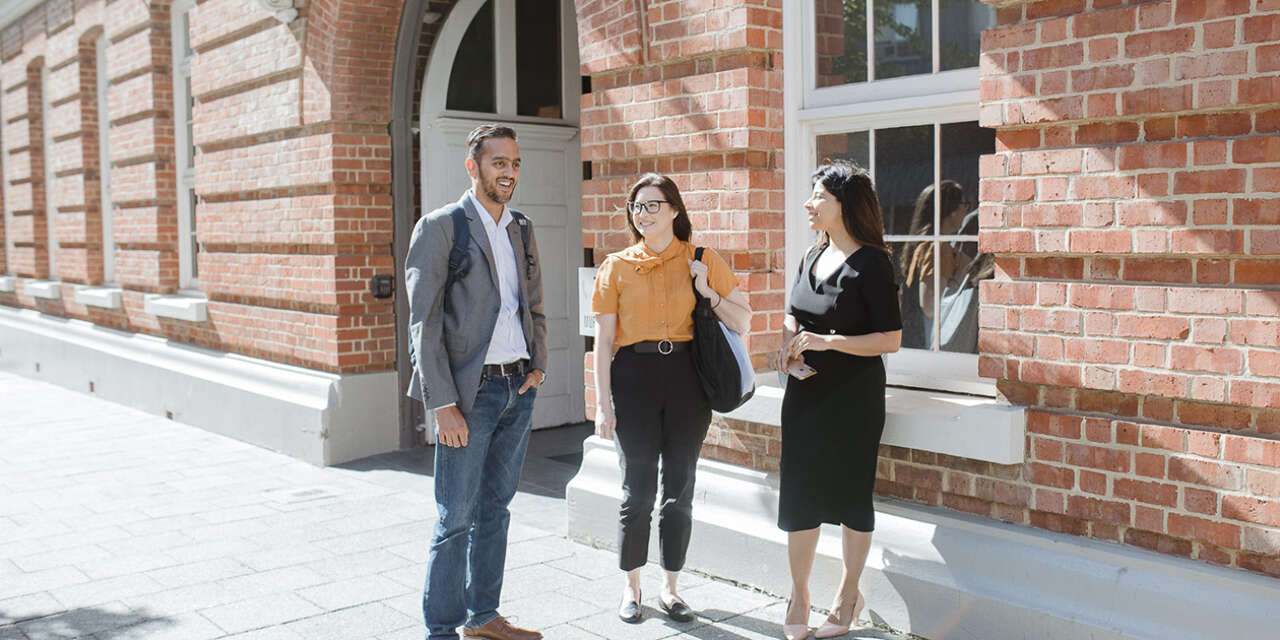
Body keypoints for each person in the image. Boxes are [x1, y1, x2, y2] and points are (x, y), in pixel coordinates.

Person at [405, 124, 547, 640]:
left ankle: (483, 617)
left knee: (497, 509)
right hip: (469, 394)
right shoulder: (443, 227)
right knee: (455, 517)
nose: (508, 172)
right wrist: (440, 403)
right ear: (474, 167)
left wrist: (539, 365)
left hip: (517, 389)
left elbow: (532, 304)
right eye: (497, 163)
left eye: (514, 163)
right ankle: (441, 630)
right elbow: (424, 322)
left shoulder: (521, 227)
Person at [590, 173, 752, 624]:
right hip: (633, 378)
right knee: (636, 489)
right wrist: (603, 404)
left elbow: (743, 320)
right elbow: (604, 344)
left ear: (675, 210)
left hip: (687, 378)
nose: (642, 214)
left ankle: (672, 587)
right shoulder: (615, 266)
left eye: (652, 205)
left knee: (679, 488)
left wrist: (708, 291)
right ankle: (631, 586)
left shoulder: (702, 259)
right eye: (636, 206)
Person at [774, 161, 902, 640]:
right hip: (804, 395)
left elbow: (890, 338)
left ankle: (849, 594)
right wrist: (787, 347)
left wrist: (830, 343)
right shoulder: (811, 255)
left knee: (851, 496)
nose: (810, 204)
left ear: (844, 205)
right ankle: (799, 594)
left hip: (854, 400)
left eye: (819, 197)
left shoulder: (873, 264)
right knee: (800, 494)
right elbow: (793, 313)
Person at [900, 180, 989, 352]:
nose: (966, 210)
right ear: (952, 211)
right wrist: (961, 271)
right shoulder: (938, 248)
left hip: (912, 344)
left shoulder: (924, 244)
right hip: (928, 346)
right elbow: (930, 307)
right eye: (965, 204)